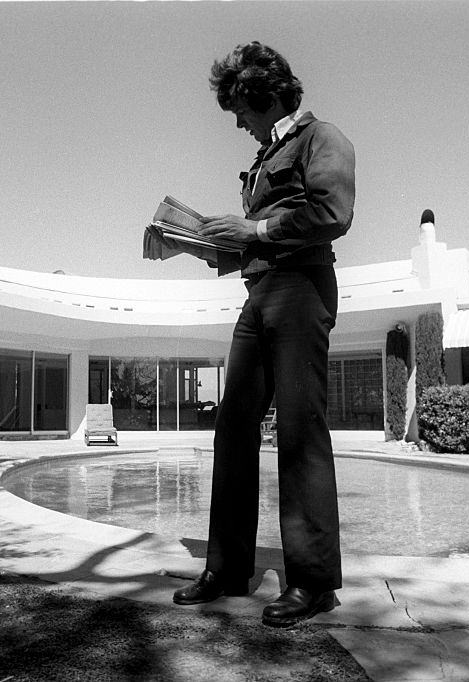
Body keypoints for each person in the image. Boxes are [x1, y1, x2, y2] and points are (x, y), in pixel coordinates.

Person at [172, 41, 356, 628]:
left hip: (302, 290)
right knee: (232, 425)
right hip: (260, 291)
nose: (239, 124)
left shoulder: (323, 138)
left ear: (265, 94)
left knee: (301, 431)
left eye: (240, 111)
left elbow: (331, 215)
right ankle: (228, 568)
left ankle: (314, 582)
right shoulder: (267, 154)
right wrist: (200, 243)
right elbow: (259, 237)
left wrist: (251, 226)